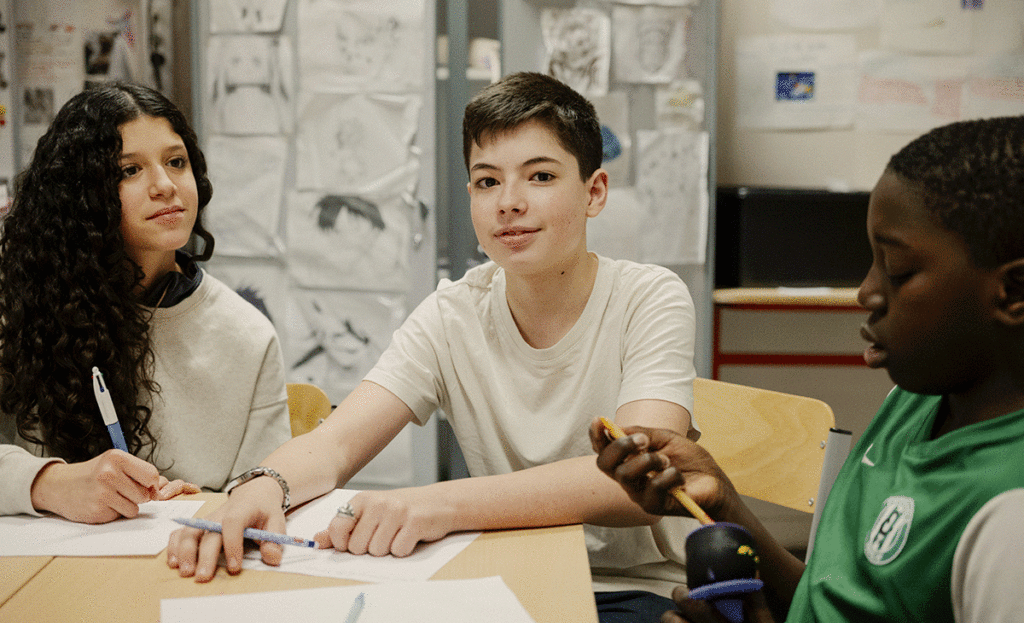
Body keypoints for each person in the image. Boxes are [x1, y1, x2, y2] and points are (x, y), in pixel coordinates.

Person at [167, 71, 701, 622]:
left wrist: (434, 504)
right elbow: (337, 443)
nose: (509, 203)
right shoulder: (453, 313)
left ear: (594, 192)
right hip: (501, 577)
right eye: (488, 181)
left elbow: (633, 483)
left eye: (540, 176)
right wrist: (262, 487)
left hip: (634, 594)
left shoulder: (649, 298)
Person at [590, 115, 1024, 623]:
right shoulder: (916, 400)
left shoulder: (1009, 513)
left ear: (1013, 293)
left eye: (899, 271)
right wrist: (723, 501)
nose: (866, 291)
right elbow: (825, 601)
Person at [0, 82, 292, 524]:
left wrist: (204, 503)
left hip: (171, 569)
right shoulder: (18, 307)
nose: (164, 185)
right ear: (79, 195)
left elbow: (263, 494)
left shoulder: (248, 337)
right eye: (129, 170)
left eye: (177, 162)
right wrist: (51, 484)